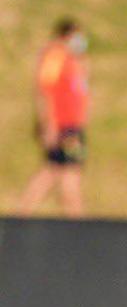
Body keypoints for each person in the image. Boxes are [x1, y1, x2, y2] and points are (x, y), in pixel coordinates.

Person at [18, 18, 91, 217]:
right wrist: (49, 123)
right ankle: (77, 223)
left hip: (72, 125)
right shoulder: (55, 55)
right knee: (70, 173)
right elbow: (45, 90)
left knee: (52, 170)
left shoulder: (73, 60)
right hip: (63, 126)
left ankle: (21, 216)